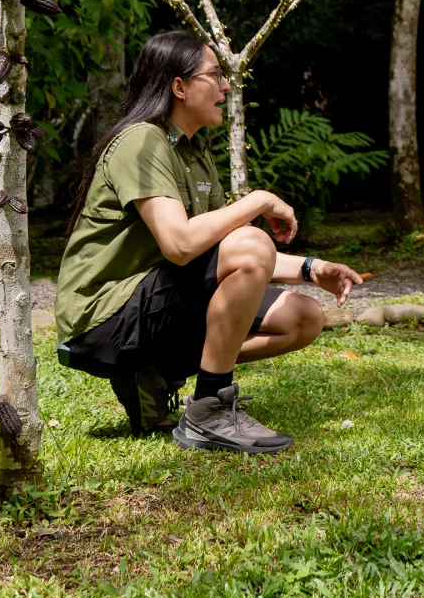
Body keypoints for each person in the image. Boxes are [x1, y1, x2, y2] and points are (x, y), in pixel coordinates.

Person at [56, 31, 361, 453]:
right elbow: (181, 245)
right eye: (215, 75)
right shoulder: (141, 141)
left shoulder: (194, 154)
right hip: (104, 318)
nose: (225, 86)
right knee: (251, 241)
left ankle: (157, 372)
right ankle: (209, 408)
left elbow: (221, 255)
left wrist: (313, 269)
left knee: (304, 318)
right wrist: (258, 200)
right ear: (178, 86)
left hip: (155, 302)